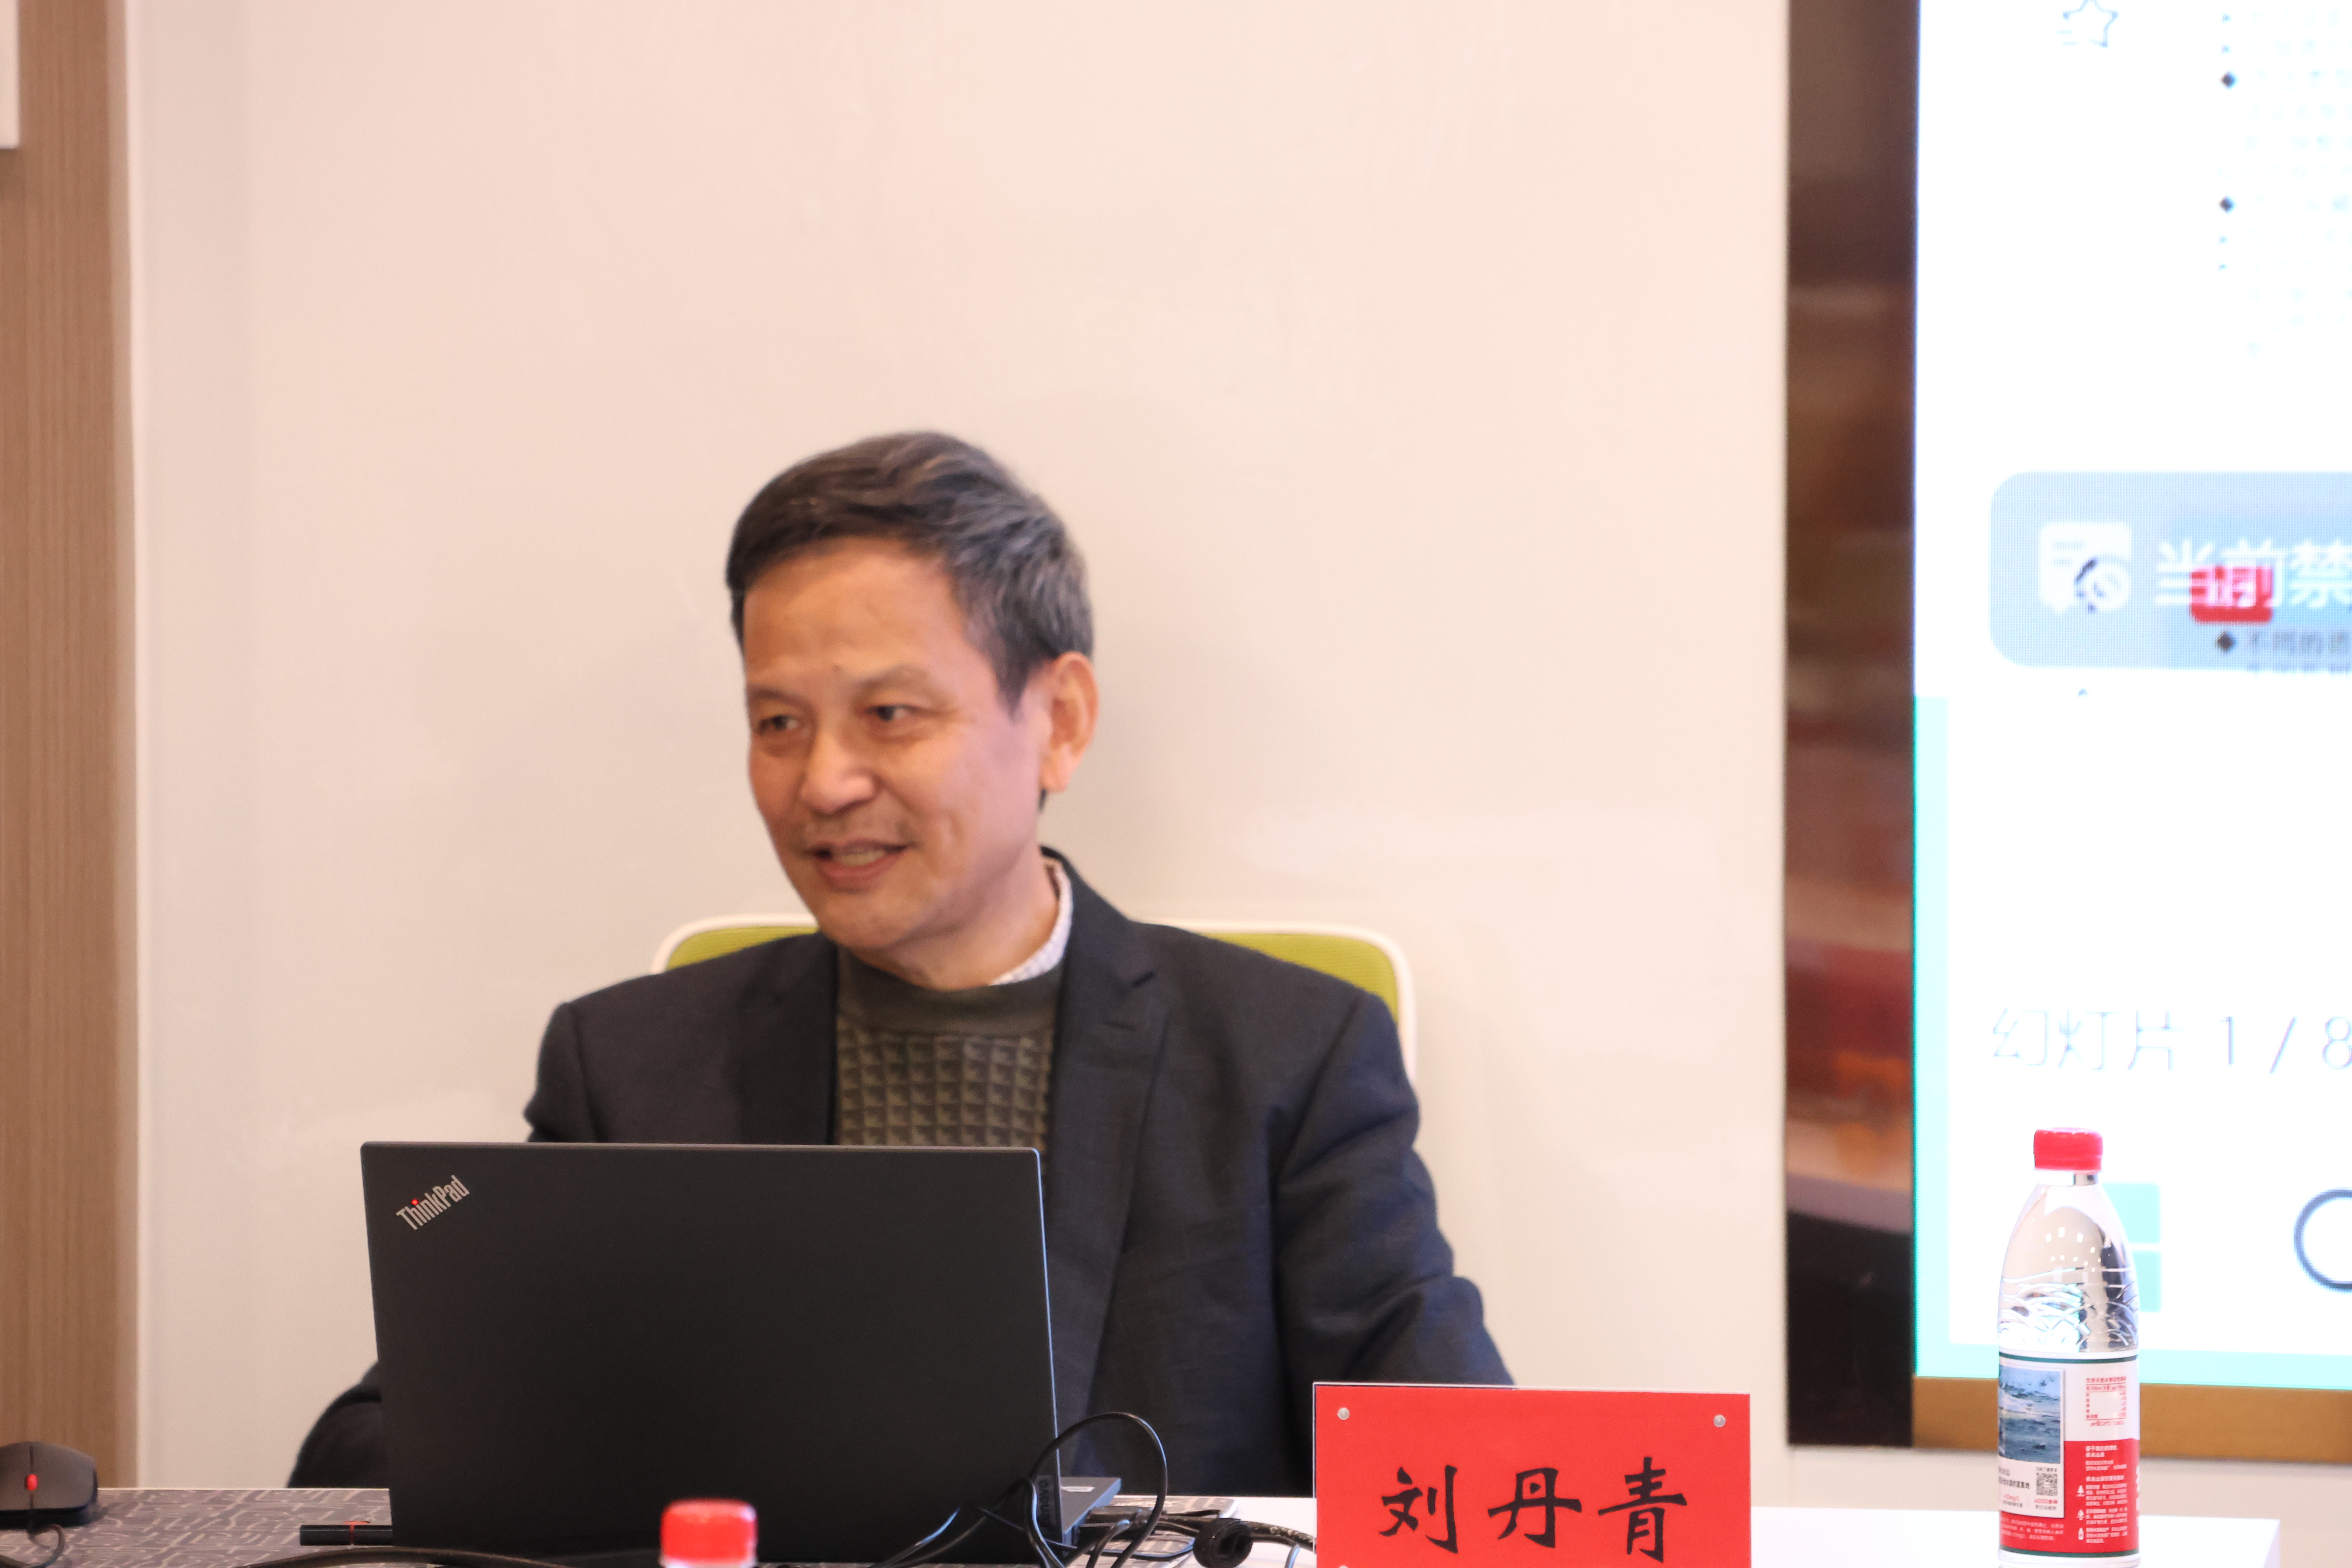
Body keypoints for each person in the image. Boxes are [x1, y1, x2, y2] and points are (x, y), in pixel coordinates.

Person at [293, 432, 1506, 1494]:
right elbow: (374, 1443)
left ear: (1060, 721)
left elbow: (1460, 1460)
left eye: (890, 715)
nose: (823, 782)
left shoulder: (1289, 1058)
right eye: (779, 722)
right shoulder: (631, 1066)